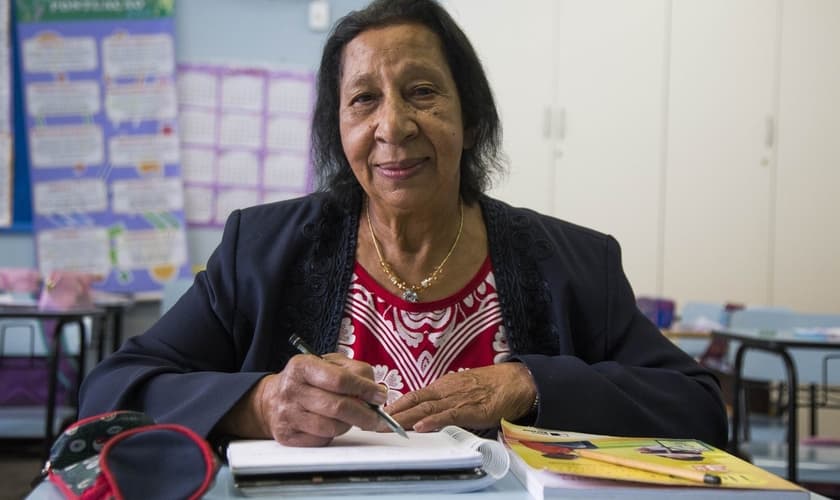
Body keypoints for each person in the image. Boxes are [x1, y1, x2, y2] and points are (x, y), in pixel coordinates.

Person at [79, 0, 728, 449]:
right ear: (338, 130)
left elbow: (698, 407)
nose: (392, 126)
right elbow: (109, 393)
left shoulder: (574, 262)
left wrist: (531, 384)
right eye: (364, 99)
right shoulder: (260, 250)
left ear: (470, 119)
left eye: (421, 92)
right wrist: (261, 404)